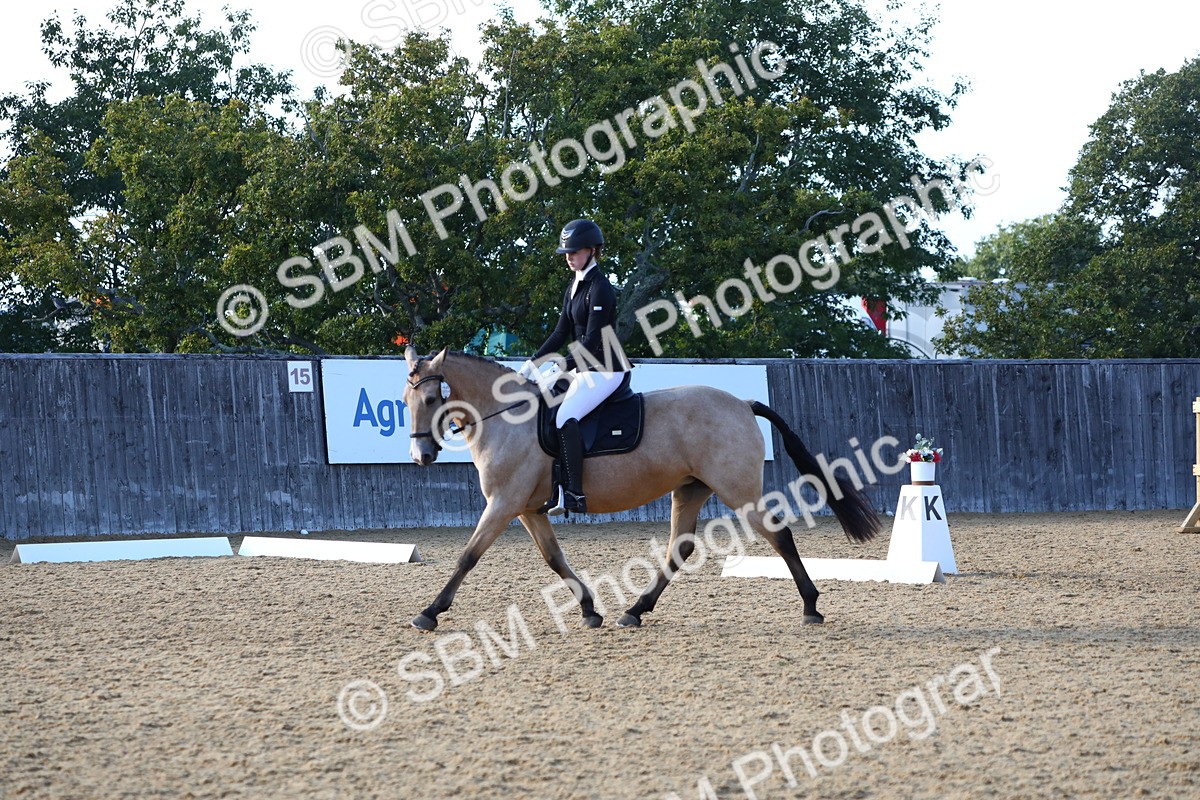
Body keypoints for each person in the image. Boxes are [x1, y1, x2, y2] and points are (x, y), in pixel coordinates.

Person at [518, 219, 630, 515]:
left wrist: (561, 365)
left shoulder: (601, 287)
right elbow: (559, 333)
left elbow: (594, 341)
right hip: (582, 366)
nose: (568, 256)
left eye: (575, 251)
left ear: (592, 251)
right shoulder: (575, 284)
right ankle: (550, 486)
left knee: (565, 416)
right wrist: (533, 363)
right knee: (544, 407)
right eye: (566, 252)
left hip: (605, 369)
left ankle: (574, 494)